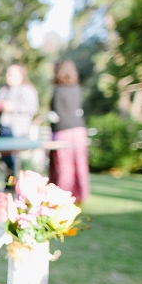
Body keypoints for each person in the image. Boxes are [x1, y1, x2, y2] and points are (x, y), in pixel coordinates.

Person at [0, 64, 39, 181]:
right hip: (3, 128)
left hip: (18, 130)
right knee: (4, 160)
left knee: (15, 160)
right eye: (7, 73)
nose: (8, 76)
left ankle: (18, 184)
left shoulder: (28, 90)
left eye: (11, 74)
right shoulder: (3, 90)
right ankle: (9, 184)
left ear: (20, 75)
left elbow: (32, 108)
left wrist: (13, 107)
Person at [48, 59, 89, 203]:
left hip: (63, 131)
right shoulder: (77, 89)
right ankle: (80, 194)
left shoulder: (58, 90)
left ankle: (62, 196)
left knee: (64, 166)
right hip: (79, 129)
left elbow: (56, 113)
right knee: (80, 163)